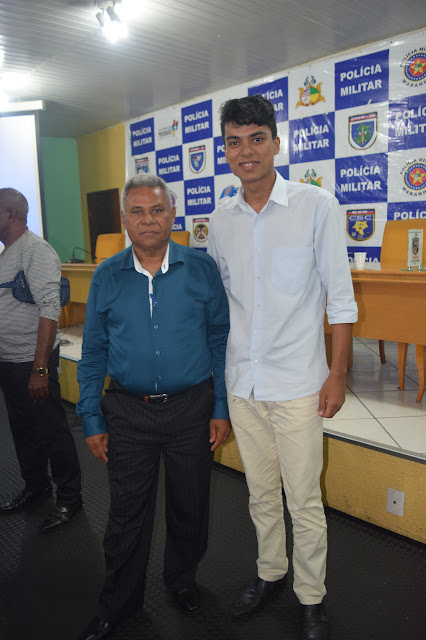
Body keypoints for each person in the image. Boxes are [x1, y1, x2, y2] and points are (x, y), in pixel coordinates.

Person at [207, 95, 358, 640]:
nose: (245, 151)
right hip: (242, 383)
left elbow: (340, 300)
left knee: (305, 499)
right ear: (225, 149)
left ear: (275, 142)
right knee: (260, 494)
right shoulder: (220, 219)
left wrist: (336, 374)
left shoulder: (316, 205)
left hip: (298, 384)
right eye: (234, 142)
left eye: (256, 139)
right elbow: (221, 306)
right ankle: (271, 572)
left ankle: (311, 597)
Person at [76, 173, 231, 640]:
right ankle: (118, 603)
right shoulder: (106, 275)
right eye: (138, 212)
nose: (148, 220)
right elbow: (93, 350)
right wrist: (91, 416)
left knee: (190, 506)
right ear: (124, 219)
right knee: (126, 516)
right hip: (128, 411)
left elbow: (220, 340)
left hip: (191, 409)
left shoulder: (201, 269)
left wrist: (220, 406)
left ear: (172, 215)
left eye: (157, 210)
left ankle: (181, 579)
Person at [0, 188, 82, 532]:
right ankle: (36, 487)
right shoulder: (7, 254)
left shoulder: (35, 250)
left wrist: (40, 369)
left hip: (32, 362)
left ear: (11, 214)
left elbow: (50, 309)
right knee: (23, 431)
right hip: (9, 362)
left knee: (52, 432)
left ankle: (70, 499)